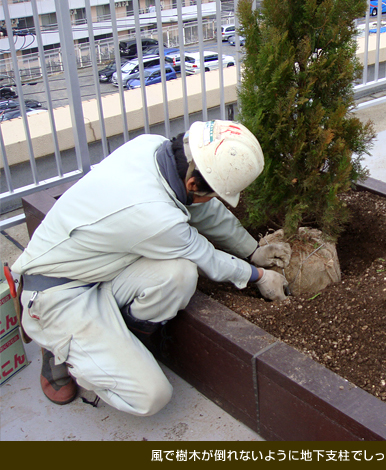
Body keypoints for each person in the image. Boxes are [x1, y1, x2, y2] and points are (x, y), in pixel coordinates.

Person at [10, 120, 292, 416]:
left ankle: (113, 341)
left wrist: (252, 251)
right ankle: (59, 350)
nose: (214, 200)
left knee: (179, 274)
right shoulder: (155, 216)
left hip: (103, 268)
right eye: (213, 192)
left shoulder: (153, 148)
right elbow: (206, 257)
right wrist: (258, 276)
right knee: (151, 396)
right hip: (58, 295)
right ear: (193, 183)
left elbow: (205, 211)